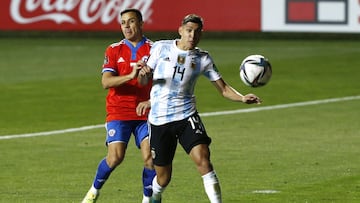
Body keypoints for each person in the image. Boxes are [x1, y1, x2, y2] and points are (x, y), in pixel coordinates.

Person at [137, 14, 262, 203]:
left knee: (203, 160)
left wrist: (242, 98)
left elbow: (224, 88)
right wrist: (144, 75)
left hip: (187, 116)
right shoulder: (161, 48)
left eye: (196, 32)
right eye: (189, 31)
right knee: (163, 177)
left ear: (201, 34)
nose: (192, 35)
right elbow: (143, 80)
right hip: (159, 119)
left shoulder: (203, 59)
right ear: (180, 31)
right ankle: (153, 196)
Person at [81, 8, 155, 203]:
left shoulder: (154, 49)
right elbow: (106, 82)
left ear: (141, 23)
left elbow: (156, 81)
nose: (127, 26)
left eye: (131, 22)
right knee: (115, 158)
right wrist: (130, 76)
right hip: (119, 111)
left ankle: (148, 199)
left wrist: (145, 77)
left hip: (146, 112)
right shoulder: (113, 49)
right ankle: (94, 191)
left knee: (150, 158)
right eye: (123, 23)